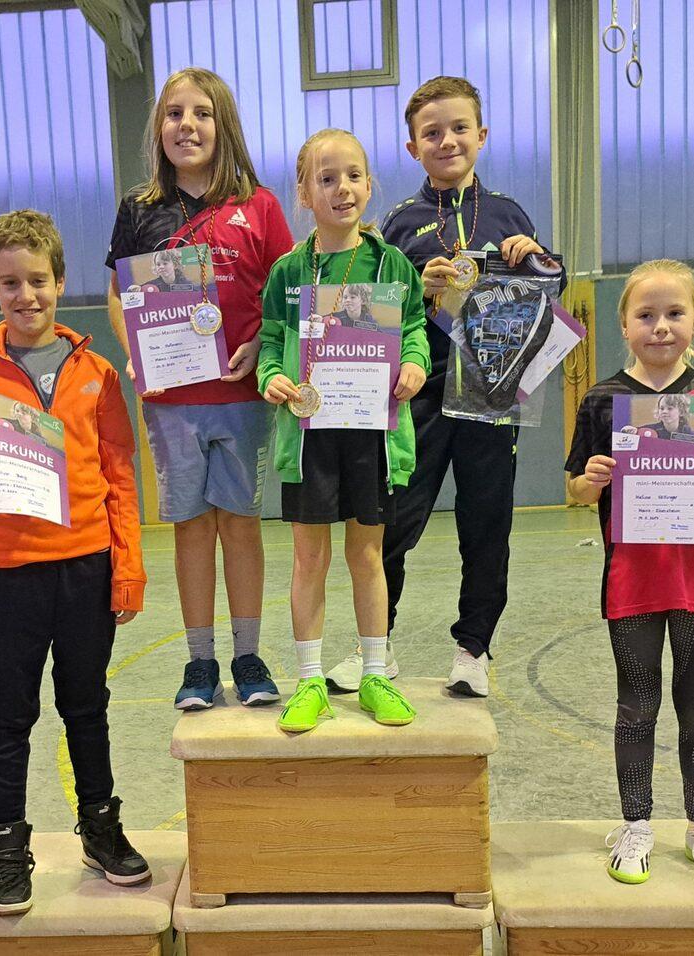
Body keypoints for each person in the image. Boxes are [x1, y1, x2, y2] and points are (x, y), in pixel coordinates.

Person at [0, 210, 150, 916]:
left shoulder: (96, 372)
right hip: (5, 573)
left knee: (87, 706)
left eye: (38, 280)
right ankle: (6, 848)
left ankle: (100, 827)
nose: (26, 295)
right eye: (9, 283)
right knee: (8, 714)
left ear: (60, 281)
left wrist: (129, 564)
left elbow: (120, 472)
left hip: (86, 567)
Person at [327, 76, 567, 698]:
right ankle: (375, 649)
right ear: (412, 147)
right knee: (393, 521)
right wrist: (416, 284)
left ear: (481, 136)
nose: (447, 140)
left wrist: (535, 259)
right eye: (431, 132)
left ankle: (473, 649)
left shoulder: (511, 214)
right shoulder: (397, 226)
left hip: (491, 390)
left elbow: (548, 301)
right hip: (418, 393)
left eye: (459, 128)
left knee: (485, 523)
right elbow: (372, 311)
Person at [565, 259, 694, 890]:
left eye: (674, 313)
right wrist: (588, 481)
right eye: (646, 315)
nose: (660, 327)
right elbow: (572, 488)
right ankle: (636, 825)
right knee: (635, 707)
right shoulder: (603, 400)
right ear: (623, 323)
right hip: (633, 582)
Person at [105, 68, 294, 710]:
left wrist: (264, 344)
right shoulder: (139, 208)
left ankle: (247, 655)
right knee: (190, 527)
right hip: (172, 400)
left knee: (240, 523)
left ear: (224, 125)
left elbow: (285, 294)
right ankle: (201, 663)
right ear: (158, 128)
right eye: (174, 113)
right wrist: (135, 352)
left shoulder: (260, 206)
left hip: (241, 397)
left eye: (202, 113)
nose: (187, 125)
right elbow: (118, 292)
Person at [258, 128, 430, 732]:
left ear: (369, 184)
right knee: (309, 557)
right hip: (310, 436)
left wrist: (415, 363)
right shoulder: (288, 271)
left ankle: (376, 670)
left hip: (372, 433)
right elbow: (273, 342)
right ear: (304, 193)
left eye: (353, 175)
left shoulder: (393, 264)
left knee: (367, 554)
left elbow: (413, 328)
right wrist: (272, 376)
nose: (342, 188)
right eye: (326, 178)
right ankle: (308, 681)